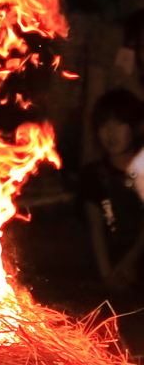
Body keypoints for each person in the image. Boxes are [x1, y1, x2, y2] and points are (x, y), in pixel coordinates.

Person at [80, 88, 144, 289]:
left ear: (135, 127)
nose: (110, 132)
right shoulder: (94, 173)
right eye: (103, 125)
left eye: (119, 123)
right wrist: (107, 274)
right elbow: (95, 226)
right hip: (112, 259)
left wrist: (131, 262)